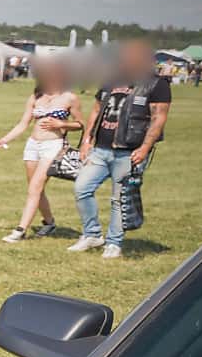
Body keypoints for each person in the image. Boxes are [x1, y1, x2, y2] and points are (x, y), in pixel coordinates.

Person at [70, 39, 169, 260]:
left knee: (119, 198)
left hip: (129, 150)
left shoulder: (156, 84)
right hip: (101, 149)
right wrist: (87, 140)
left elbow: (158, 119)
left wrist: (145, 148)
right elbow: (96, 110)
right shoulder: (110, 81)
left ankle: (114, 242)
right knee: (82, 188)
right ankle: (92, 234)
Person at [0, 57, 82, 241]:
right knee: (35, 188)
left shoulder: (70, 97)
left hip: (53, 145)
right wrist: (3, 140)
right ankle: (49, 223)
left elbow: (81, 124)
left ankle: (20, 230)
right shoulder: (36, 97)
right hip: (33, 145)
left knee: (35, 188)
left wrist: (60, 123)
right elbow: (23, 124)